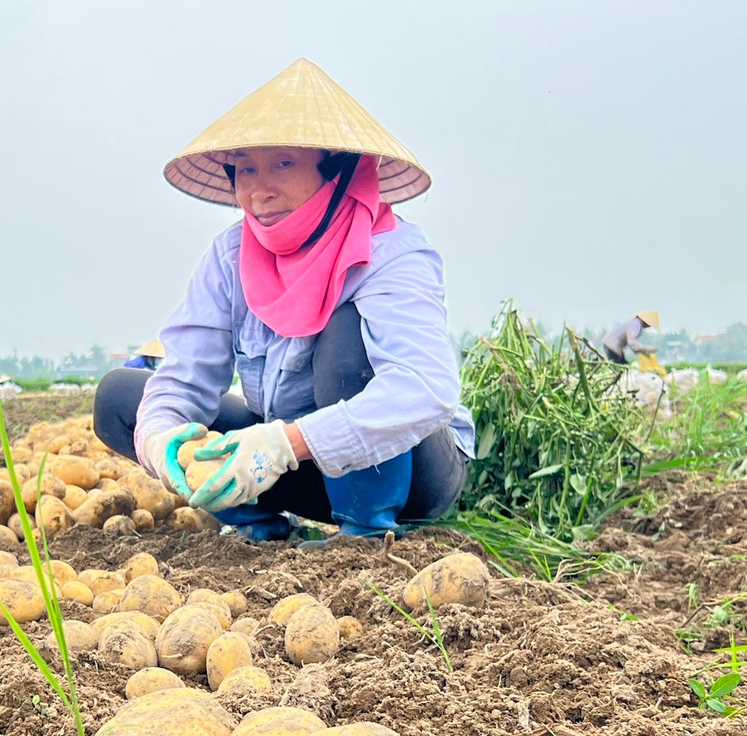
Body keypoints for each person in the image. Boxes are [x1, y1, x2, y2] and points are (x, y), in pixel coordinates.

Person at [93, 58, 472, 542]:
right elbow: (185, 374)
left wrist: (286, 442)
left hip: (409, 471)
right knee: (124, 399)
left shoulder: (392, 253)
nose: (259, 190)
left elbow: (426, 389)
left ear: (336, 171)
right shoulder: (230, 256)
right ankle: (255, 524)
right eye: (246, 169)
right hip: (285, 462)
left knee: (345, 333)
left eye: (283, 164)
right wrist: (163, 443)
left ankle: (366, 535)